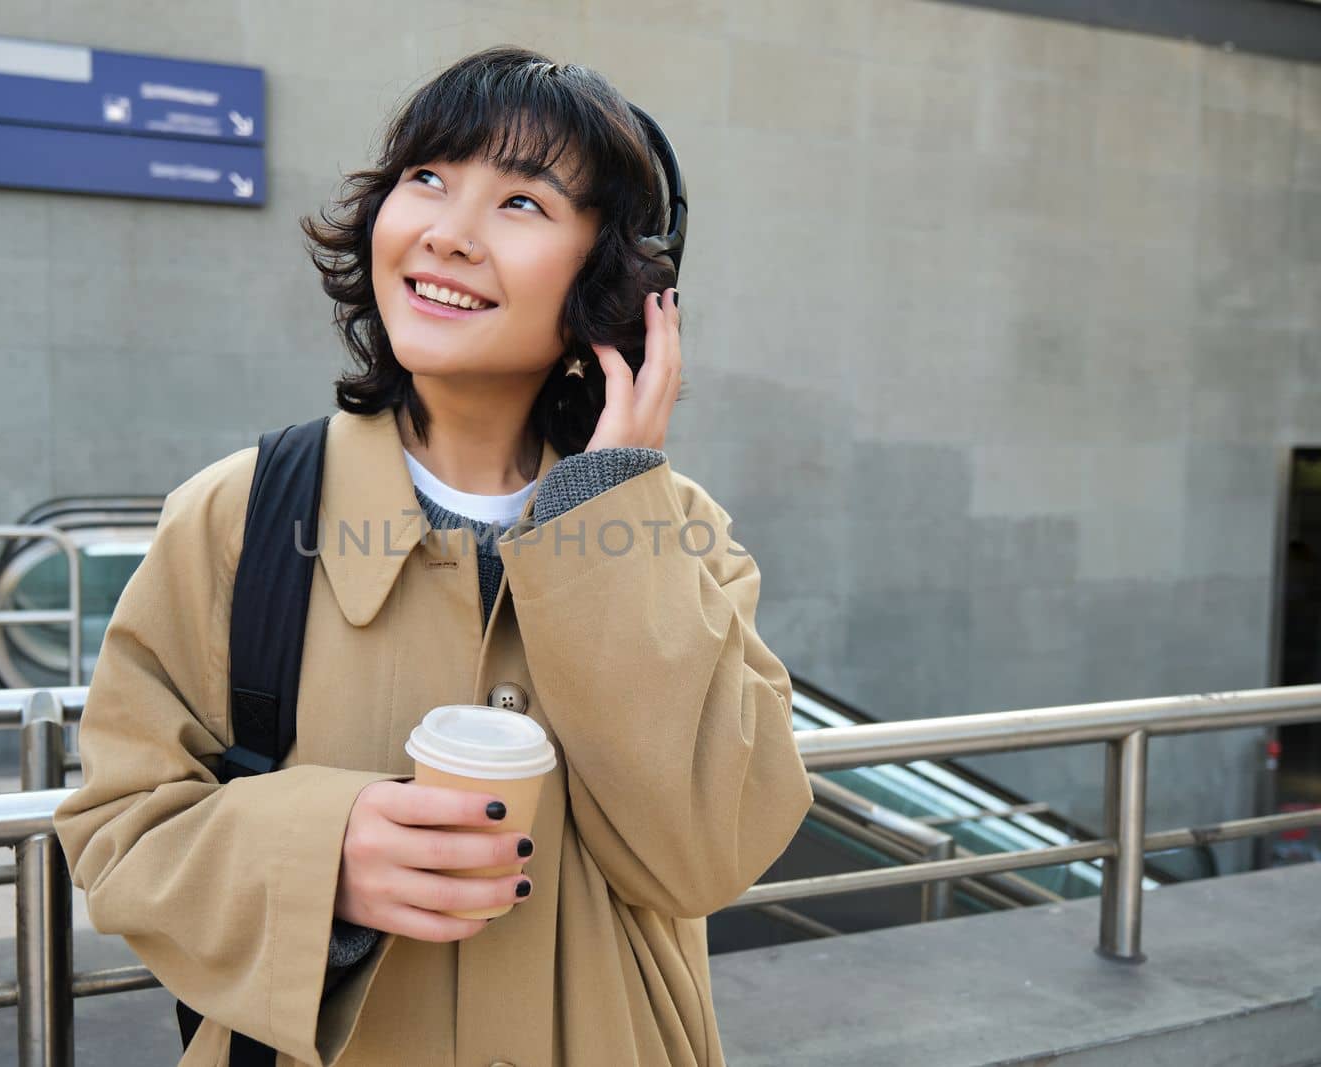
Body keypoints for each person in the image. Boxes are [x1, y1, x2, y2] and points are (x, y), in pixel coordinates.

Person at [52, 45, 814, 1067]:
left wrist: (601, 516)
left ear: (610, 276)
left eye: (522, 204)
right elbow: (117, 827)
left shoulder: (678, 531)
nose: (448, 234)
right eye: (427, 179)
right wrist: (322, 852)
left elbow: (709, 854)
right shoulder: (240, 513)